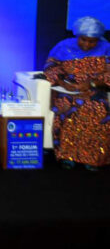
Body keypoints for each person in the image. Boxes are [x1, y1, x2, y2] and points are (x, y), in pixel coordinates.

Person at [44, 16, 110, 171]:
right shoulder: (63, 46)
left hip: (94, 91)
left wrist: (91, 84)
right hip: (67, 90)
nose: (87, 44)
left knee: (97, 109)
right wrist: (62, 82)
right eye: (83, 40)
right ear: (77, 36)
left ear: (98, 39)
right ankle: (67, 156)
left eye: (92, 41)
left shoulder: (106, 48)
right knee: (67, 107)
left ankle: (93, 158)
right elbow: (50, 67)